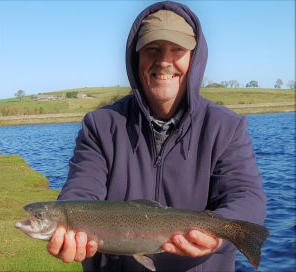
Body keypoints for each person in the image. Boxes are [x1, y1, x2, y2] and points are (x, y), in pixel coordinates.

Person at [47, 1, 266, 271]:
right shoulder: (101, 125)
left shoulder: (226, 126)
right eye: (152, 49)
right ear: (136, 57)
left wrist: (219, 238)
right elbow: (81, 189)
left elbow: (246, 195)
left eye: (177, 50)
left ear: (194, 58)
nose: (164, 61)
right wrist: (70, 229)